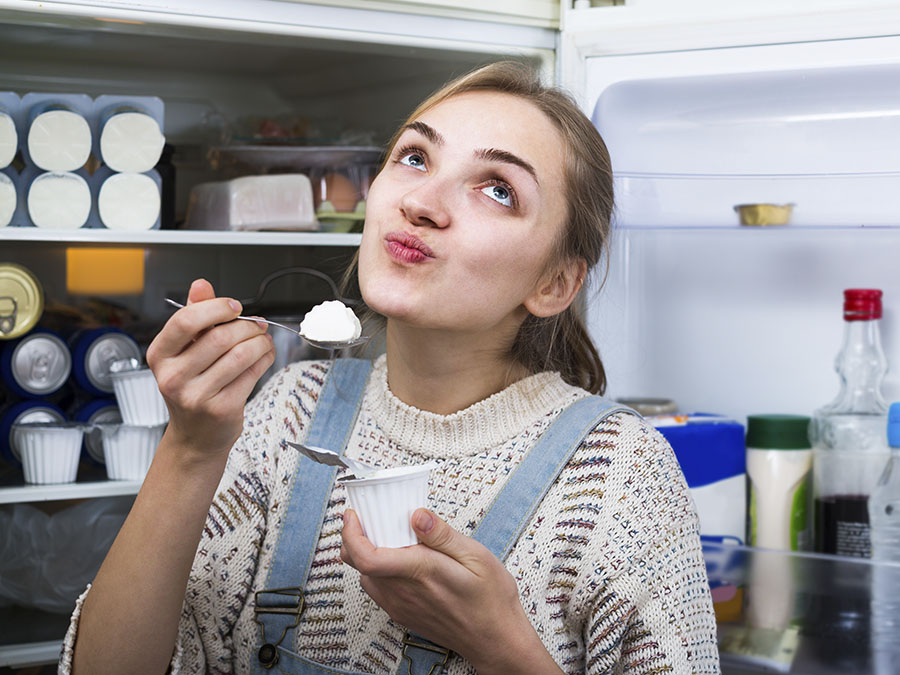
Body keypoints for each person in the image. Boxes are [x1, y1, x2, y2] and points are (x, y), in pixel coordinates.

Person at [62, 61, 720, 674]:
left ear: (553, 283)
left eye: (497, 189)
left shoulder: (619, 478)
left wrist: (505, 648)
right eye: (414, 157)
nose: (423, 201)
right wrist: (189, 448)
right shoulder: (284, 414)